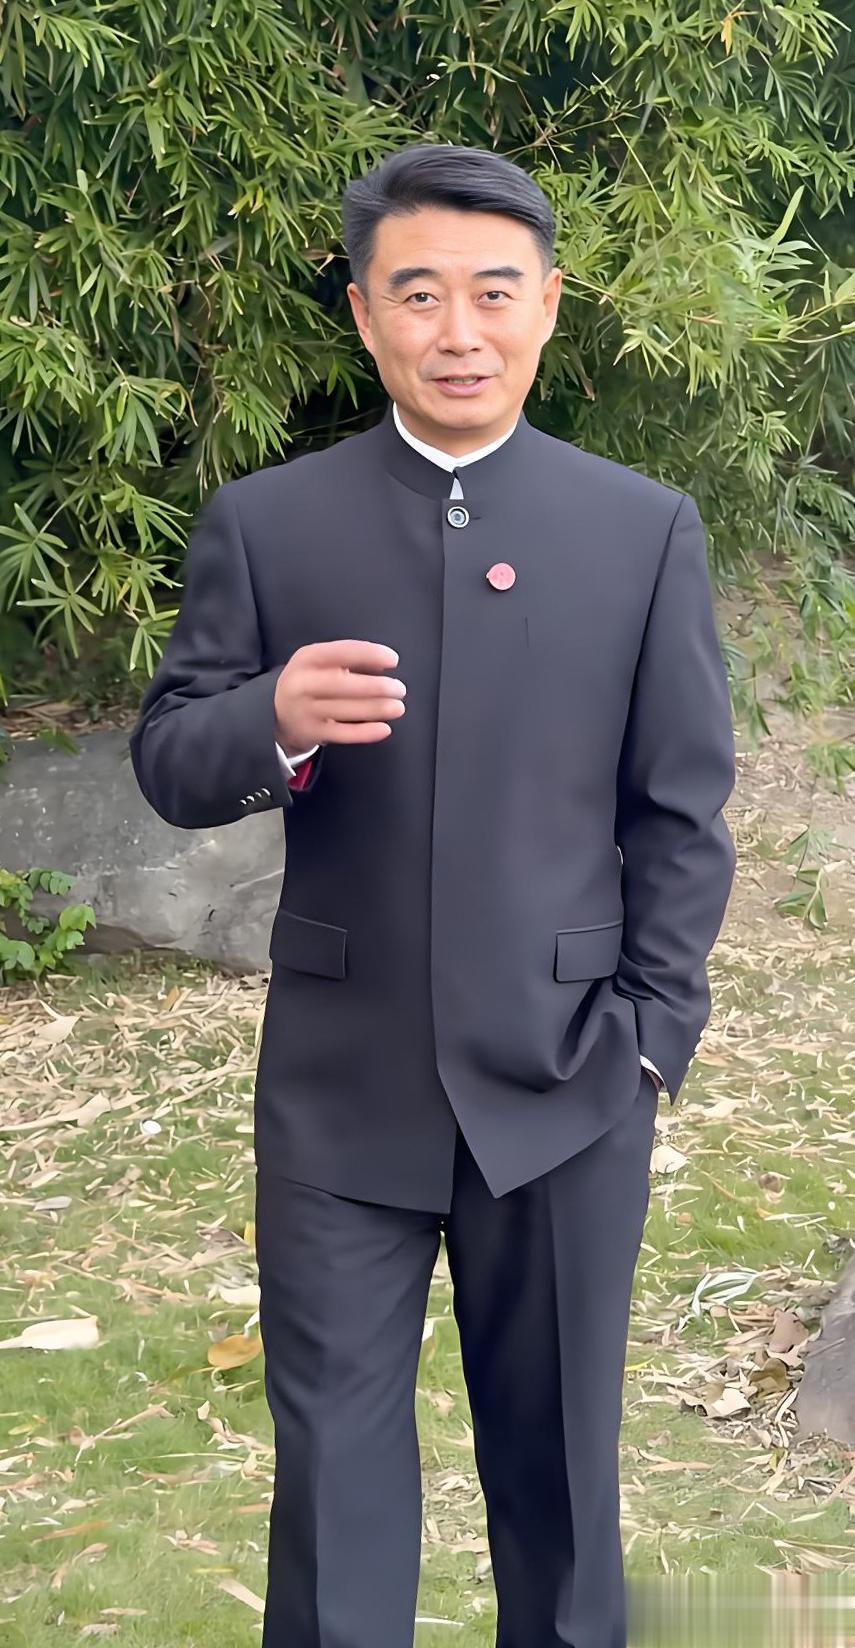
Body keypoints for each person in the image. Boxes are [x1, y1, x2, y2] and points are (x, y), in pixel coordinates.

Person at [129, 143, 737, 1648]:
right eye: (418, 294)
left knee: (562, 1488)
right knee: (333, 1488)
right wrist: (271, 713)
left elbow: (680, 813)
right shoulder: (271, 524)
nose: (458, 331)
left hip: (570, 1077)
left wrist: (651, 1038)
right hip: (341, 1092)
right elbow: (172, 761)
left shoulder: (639, 529)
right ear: (363, 314)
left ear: (548, 305)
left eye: (493, 292)